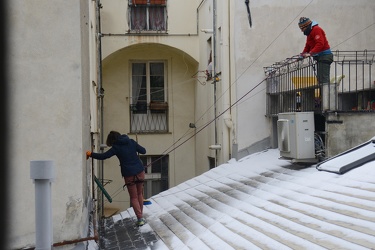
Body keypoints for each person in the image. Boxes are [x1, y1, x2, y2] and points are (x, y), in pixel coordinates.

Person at [86, 131, 147, 226]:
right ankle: (141, 217)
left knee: (134, 197)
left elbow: (104, 156)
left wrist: (91, 154)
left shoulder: (116, 147)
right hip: (140, 171)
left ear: (112, 140)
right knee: (139, 194)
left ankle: (140, 219)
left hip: (129, 174)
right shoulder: (131, 141)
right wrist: (135, 146)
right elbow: (143, 151)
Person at [298, 17, 333, 85]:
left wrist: (310, 53)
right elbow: (308, 46)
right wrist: (302, 55)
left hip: (325, 57)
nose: (302, 31)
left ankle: (326, 94)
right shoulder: (310, 33)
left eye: (302, 29)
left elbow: (320, 44)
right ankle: (323, 94)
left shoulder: (316, 30)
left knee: (324, 80)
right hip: (320, 58)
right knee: (320, 80)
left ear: (306, 26)